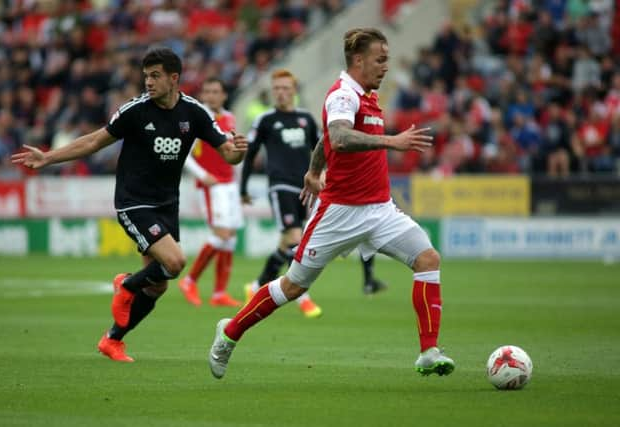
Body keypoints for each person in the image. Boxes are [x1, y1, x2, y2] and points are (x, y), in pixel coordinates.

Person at [208, 28, 455, 379]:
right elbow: (338, 137)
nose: (386, 67)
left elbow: (325, 137)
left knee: (428, 258)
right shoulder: (342, 94)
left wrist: (312, 171)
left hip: (380, 209)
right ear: (358, 60)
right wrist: (392, 141)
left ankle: (429, 351)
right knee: (292, 286)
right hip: (339, 212)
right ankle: (229, 333)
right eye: (380, 59)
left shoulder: (367, 96)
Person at [11, 47, 248, 362]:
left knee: (158, 285)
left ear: (174, 78)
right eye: (146, 76)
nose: (148, 82)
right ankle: (126, 285)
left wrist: (241, 150)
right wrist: (49, 157)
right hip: (133, 202)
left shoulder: (194, 113)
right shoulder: (134, 111)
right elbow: (94, 141)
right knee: (175, 263)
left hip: (167, 204)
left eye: (155, 76)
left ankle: (112, 340)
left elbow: (229, 154)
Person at [239, 68, 323, 318]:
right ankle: (303, 296)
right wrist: (242, 188)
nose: (281, 93)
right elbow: (250, 153)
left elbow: (321, 149)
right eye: (277, 89)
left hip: (304, 188)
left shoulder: (306, 119)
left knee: (286, 243)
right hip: (280, 186)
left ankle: (255, 287)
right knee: (296, 238)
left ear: (294, 91)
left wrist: (323, 173)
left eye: (286, 88)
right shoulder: (265, 120)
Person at [178, 77, 244, 307]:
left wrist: (240, 184)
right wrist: (201, 175)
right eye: (207, 91)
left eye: (216, 91)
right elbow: (184, 153)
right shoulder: (198, 118)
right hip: (211, 186)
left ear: (224, 95)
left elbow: (234, 150)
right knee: (221, 235)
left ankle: (219, 293)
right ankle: (189, 280)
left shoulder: (229, 117)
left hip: (230, 184)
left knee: (230, 239)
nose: (211, 95)